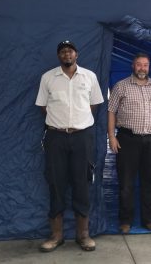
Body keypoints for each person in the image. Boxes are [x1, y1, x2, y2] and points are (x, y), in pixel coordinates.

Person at [35, 40, 104, 252]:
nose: (67, 54)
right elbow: (43, 107)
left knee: (82, 182)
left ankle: (83, 235)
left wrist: (77, 124)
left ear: (77, 54)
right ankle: (56, 235)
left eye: (70, 51)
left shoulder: (89, 77)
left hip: (82, 137)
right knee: (56, 183)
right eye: (63, 51)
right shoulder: (48, 78)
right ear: (59, 56)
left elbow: (94, 104)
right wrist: (62, 123)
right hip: (55, 137)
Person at [107, 53, 151, 234]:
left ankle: (148, 219)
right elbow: (111, 112)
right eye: (139, 65)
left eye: (145, 65)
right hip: (127, 140)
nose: (142, 68)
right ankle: (126, 221)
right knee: (126, 182)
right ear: (133, 66)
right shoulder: (121, 86)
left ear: (149, 67)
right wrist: (111, 136)